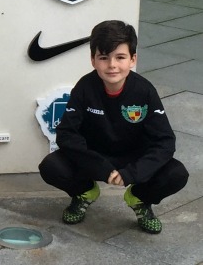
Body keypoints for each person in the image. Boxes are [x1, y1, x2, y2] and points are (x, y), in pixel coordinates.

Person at [39, 20, 189, 234]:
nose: (112, 65)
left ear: (132, 59)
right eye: (103, 58)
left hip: (133, 158)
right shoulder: (84, 87)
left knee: (176, 174)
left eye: (120, 57)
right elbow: (67, 134)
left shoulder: (145, 91)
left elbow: (164, 141)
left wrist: (134, 173)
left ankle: (139, 199)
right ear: (93, 60)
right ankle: (85, 193)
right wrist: (100, 167)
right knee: (51, 166)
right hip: (96, 157)